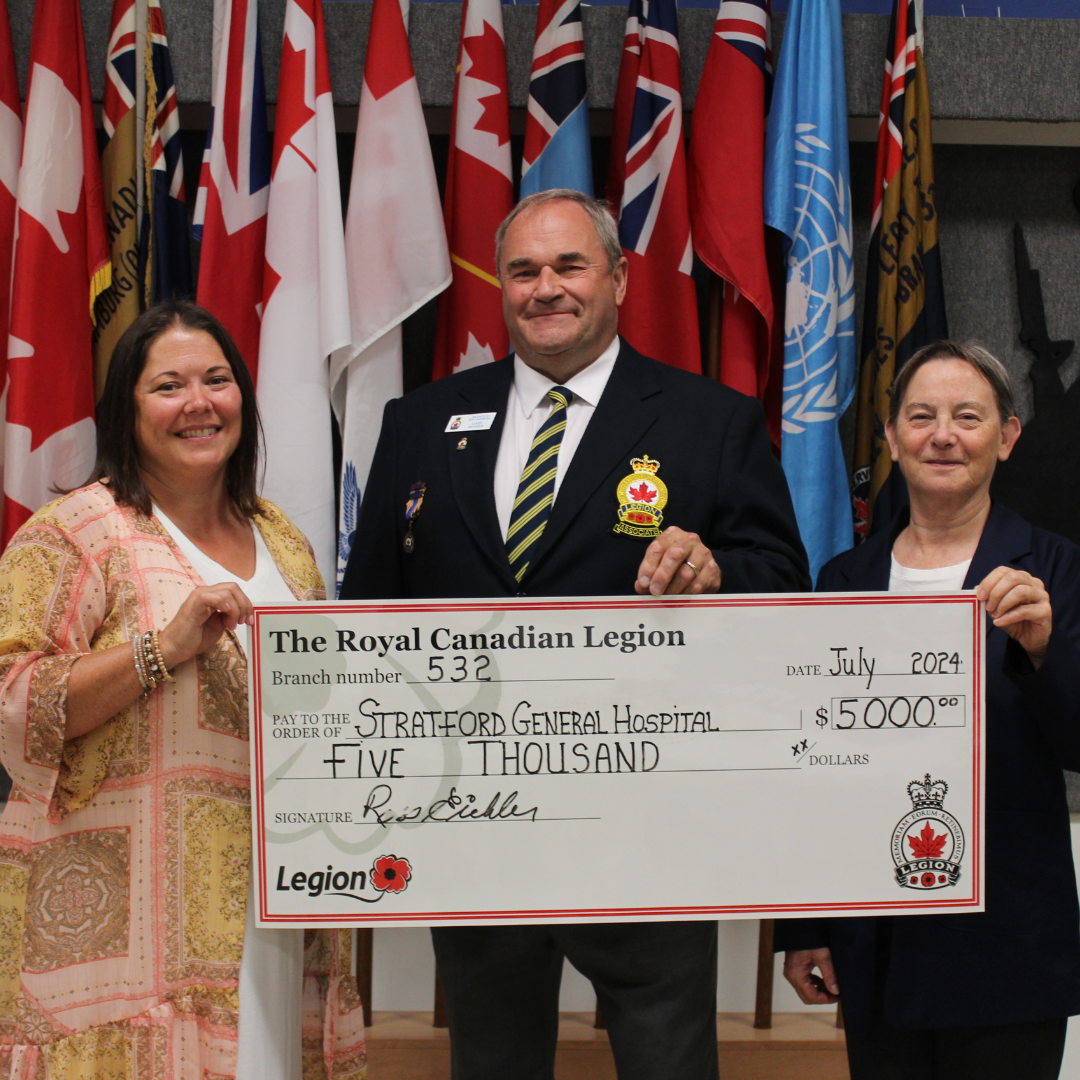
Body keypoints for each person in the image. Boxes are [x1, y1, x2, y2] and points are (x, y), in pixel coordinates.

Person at [341, 188, 810, 1080]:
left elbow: (784, 585)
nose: (544, 288)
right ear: (501, 288)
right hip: (475, 820)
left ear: (620, 278)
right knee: (492, 1060)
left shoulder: (709, 421)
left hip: (650, 821)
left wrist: (716, 573)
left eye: (568, 266)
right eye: (523, 270)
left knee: (668, 1059)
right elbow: (374, 616)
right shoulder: (422, 422)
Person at [0, 302, 364, 1079]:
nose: (199, 403)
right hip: (129, 931)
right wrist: (161, 650)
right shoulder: (74, 532)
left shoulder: (285, 543)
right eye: (168, 386)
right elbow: (12, 702)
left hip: (275, 905)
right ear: (127, 413)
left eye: (218, 380)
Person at [778, 340, 1080, 1080]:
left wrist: (1044, 653)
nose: (943, 435)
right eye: (921, 416)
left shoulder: (1058, 567)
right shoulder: (843, 578)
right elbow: (814, 763)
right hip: (878, 942)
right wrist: (806, 924)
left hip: (1009, 940)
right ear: (890, 438)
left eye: (968, 417)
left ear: (1007, 437)